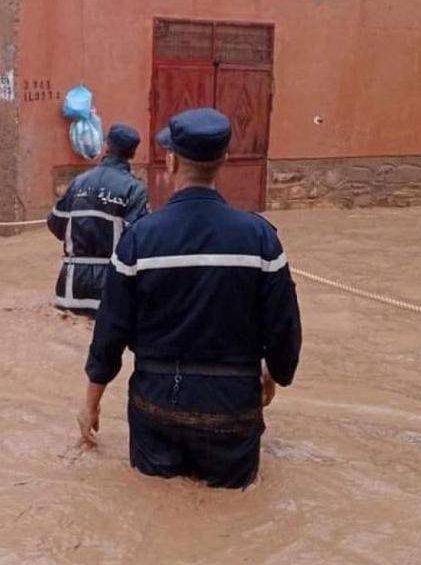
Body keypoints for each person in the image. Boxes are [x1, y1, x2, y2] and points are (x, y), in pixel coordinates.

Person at [78, 108, 302, 489]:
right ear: (224, 160)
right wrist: (274, 376)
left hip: (156, 406)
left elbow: (110, 331)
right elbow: (285, 329)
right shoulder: (260, 239)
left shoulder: (138, 241)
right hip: (232, 410)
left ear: (171, 160)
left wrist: (91, 402)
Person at [48, 124, 149, 315]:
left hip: (71, 288)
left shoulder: (79, 182)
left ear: (106, 145)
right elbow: (138, 239)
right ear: (133, 153)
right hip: (113, 286)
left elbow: (55, 223)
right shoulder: (134, 189)